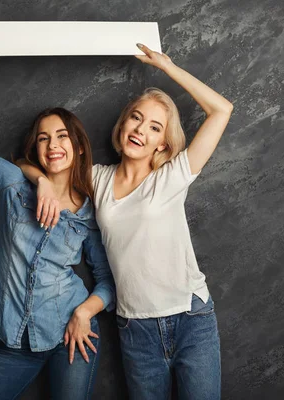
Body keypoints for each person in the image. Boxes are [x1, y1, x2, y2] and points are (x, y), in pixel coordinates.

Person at [19, 43, 233, 399]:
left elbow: (222, 110)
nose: (140, 130)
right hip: (135, 329)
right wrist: (40, 181)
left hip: (191, 319)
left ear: (162, 144)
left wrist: (168, 67)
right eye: (136, 117)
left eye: (154, 127)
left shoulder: (173, 176)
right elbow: (38, 162)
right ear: (123, 124)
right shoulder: (97, 178)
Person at [0, 16, 116, 400]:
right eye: (44, 138)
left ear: (78, 146)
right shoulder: (13, 183)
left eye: (62, 136)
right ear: (37, 149)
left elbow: (109, 279)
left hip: (71, 334)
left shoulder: (91, 212)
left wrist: (85, 313)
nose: (53, 144)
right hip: (14, 340)